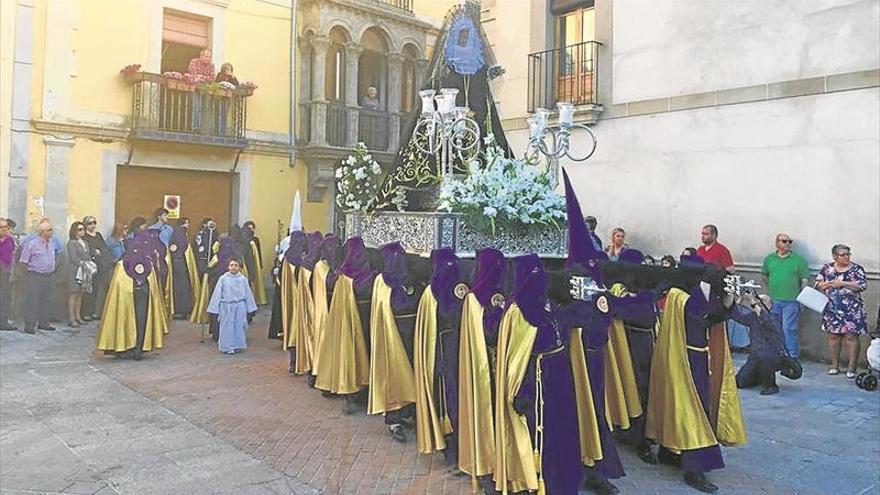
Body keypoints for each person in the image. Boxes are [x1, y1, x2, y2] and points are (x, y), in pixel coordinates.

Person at [459, 247, 507, 495]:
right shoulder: (473, 299)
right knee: (487, 415)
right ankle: (488, 466)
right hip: (486, 365)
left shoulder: (506, 292)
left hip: (505, 364)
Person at [413, 247, 467, 465]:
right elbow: (429, 329)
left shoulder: (453, 289)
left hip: (458, 352)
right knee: (447, 400)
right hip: (443, 356)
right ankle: (451, 449)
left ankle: (460, 448)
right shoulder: (432, 293)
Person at [367, 242, 421, 442]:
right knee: (394, 374)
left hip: (411, 332)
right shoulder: (382, 280)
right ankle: (394, 419)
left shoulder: (413, 279)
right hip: (392, 333)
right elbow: (384, 308)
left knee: (411, 372)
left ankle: (407, 412)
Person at [96, 240, 166, 360]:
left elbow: (117, 285)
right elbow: (152, 284)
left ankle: (125, 347)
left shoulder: (122, 263)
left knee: (124, 321)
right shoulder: (147, 262)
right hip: (142, 295)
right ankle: (138, 348)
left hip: (127, 298)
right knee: (141, 321)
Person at [730, 293, 802, 395]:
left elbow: (766, 321)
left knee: (765, 357)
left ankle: (771, 386)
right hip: (755, 355)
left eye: (763, 301)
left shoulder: (774, 316)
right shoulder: (753, 316)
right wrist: (739, 299)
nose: (759, 303)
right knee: (740, 382)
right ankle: (758, 377)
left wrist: (753, 302)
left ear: (770, 305)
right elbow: (736, 316)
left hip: (773, 356)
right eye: (759, 301)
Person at [815, 244, 868, 378]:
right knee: (833, 336)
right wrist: (830, 283)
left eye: (848, 254)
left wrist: (843, 284)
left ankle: (852, 367)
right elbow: (818, 284)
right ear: (834, 256)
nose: (846, 257)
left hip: (852, 308)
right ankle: (834, 365)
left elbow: (863, 285)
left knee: (851, 336)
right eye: (843, 255)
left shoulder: (856, 269)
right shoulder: (827, 268)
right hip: (832, 308)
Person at [760, 233, 810, 358]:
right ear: (777, 243)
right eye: (784, 241)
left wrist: (803, 299)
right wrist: (772, 289)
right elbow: (765, 275)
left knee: (789, 329)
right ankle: (777, 353)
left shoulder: (798, 260)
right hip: (774, 300)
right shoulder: (769, 259)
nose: (787, 244)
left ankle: (791, 356)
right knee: (774, 328)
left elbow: (804, 280)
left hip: (791, 300)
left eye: (789, 241)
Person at [207, 258, 257, 355]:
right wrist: (214, 308)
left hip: (239, 305)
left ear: (240, 267)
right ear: (228, 267)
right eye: (232, 265)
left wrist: (250, 307)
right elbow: (217, 293)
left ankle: (238, 345)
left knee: (239, 325)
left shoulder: (243, 279)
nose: (233, 267)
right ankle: (227, 346)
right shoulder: (223, 279)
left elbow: (248, 294)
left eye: (236, 265)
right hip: (226, 306)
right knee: (227, 327)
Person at [19, 219, 58, 334]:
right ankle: (29, 325)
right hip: (35, 276)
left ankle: (44, 323)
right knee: (33, 300)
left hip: (49, 275)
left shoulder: (51, 243)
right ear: (42, 232)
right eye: (49, 230)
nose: (52, 232)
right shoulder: (31, 244)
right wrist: (28, 274)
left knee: (47, 300)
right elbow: (23, 261)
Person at [81, 216, 112, 321]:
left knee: (98, 289)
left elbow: (103, 248)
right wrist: (96, 252)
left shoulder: (98, 235)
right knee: (89, 290)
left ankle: (95, 311)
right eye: (90, 223)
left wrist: (102, 253)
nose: (93, 225)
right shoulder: (85, 237)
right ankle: (85, 312)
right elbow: (89, 250)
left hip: (101, 265)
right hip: (91, 266)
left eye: (94, 222)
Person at [66, 222, 94, 328]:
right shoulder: (72, 243)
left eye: (83, 229)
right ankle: (71, 318)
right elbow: (73, 257)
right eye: (79, 229)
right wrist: (82, 263)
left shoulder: (85, 242)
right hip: (76, 270)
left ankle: (78, 316)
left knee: (80, 293)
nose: (81, 231)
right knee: (73, 293)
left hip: (85, 270)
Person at [169, 225, 200, 319]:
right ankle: (185, 311)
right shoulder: (185, 243)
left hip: (175, 268)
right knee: (185, 289)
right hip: (184, 269)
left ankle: (176, 310)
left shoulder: (173, 241)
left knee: (176, 289)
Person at [0, 218, 17, 330]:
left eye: (5, 227)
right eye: (1, 227)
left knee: (5, 297)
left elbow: (12, 255)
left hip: (6, 272)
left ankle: (3, 322)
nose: (4, 229)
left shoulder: (10, 240)